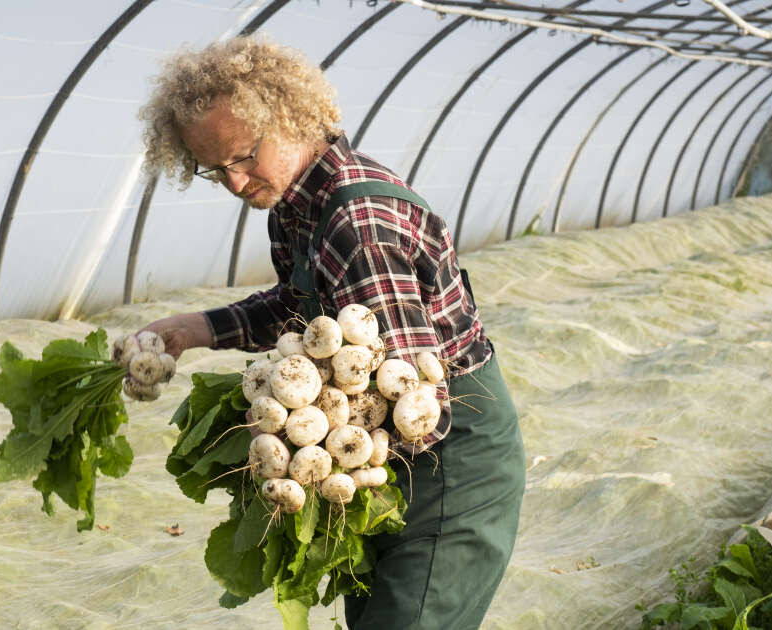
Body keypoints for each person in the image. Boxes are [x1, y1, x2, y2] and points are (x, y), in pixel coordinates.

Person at [127, 35, 525, 629]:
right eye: (214, 169)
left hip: (450, 469)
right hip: (393, 468)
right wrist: (197, 328)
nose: (235, 183)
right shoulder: (297, 203)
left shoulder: (355, 224)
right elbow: (299, 305)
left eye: (243, 156)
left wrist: (297, 452)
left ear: (288, 118)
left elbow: (417, 402)